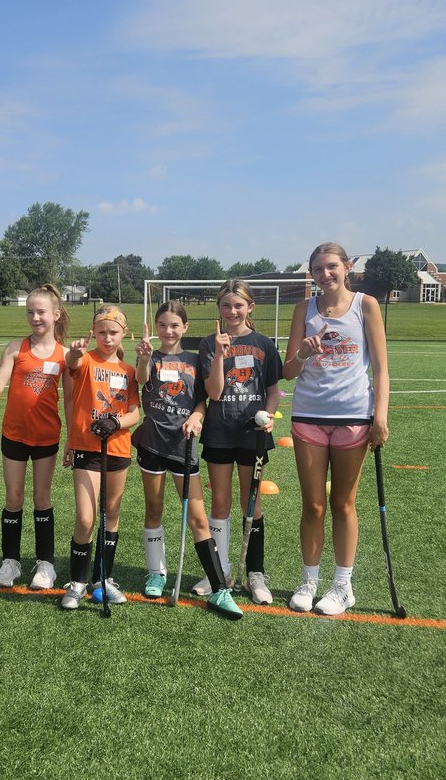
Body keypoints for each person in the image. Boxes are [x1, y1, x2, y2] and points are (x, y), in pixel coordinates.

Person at [283, 243, 389, 615]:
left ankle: (343, 586)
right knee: (313, 506)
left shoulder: (366, 305)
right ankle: (309, 581)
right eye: (318, 269)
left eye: (331, 267)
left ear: (346, 267)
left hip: (353, 417)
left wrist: (380, 416)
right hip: (308, 416)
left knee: (342, 504)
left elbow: (381, 369)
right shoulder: (304, 309)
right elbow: (289, 371)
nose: (325, 275)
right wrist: (303, 353)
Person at [132, 302, 242, 619]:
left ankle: (219, 588)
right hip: (153, 444)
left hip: (184, 445)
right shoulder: (150, 357)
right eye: (162, 325)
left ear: (185, 327)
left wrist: (196, 416)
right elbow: (140, 378)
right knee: (154, 508)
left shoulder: (194, 360)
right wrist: (143, 357)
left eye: (174, 325)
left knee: (198, 519)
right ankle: (156, 573)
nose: (168, 331)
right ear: (156, 326)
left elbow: (202, 400)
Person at [0, 284, 70, 591]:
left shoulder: (65, 355)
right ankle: (10, 562)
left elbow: (71, 401)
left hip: (46, 437)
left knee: (42, 497)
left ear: (56, 314)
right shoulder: (15, 348)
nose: (35, 318)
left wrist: (72, 439)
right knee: (14, 497)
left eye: (41, 312)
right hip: (14, 435)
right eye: (30, 312)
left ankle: (46, 565)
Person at [198, 280, 282, 605]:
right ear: (219, 308)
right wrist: (220, 355)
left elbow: (273, 389)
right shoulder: (209, 344)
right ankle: (219, 571)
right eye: (226, 305)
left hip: (253, 435)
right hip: (219, 432)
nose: (232, 311)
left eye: (238, 305)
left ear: (250, 307)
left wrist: (269, 415)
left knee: (252, 504)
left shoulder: (263, 344)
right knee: (219, 503)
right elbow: (215, 392)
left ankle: (255, 574)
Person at [58, 305, 141, 610]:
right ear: (93, 332)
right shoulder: (86, 360)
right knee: (85, 518)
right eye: (102, 332)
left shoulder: (128, 371)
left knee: (111, 515)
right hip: (87, 448)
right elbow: (72, 363)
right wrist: (74, 353)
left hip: (117, 448)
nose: (107, 338)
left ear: (124, 334)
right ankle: (78, 582)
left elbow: (134, 413)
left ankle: (102, 578)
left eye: (113, 332)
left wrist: (115, 423)